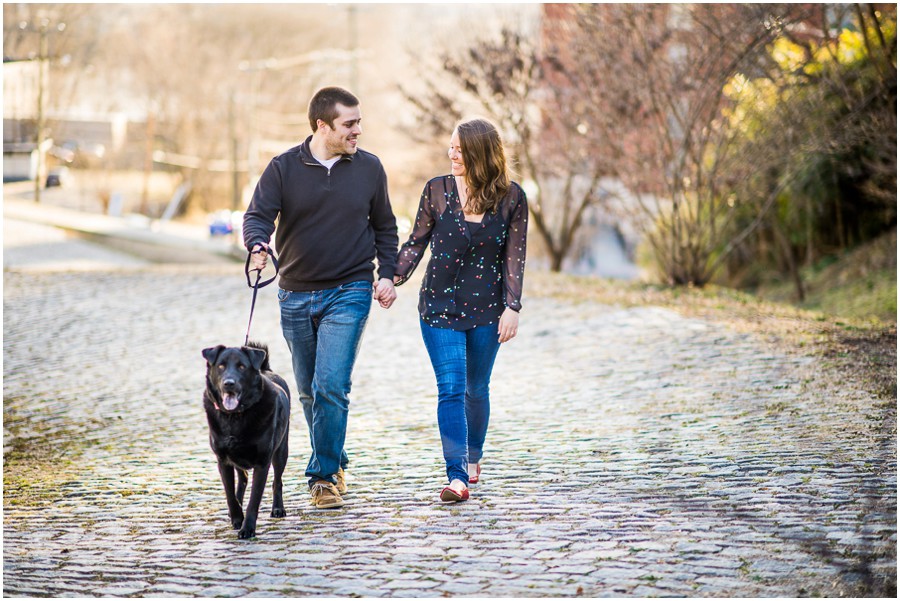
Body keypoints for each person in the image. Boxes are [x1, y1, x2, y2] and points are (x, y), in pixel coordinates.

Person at [243, 86, 399, 509]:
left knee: (331, 384)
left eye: (358, 123)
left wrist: (388, 275)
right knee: (310, 391)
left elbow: (385, 227)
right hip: (295, 294)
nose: (358, 131)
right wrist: (258, 245)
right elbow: (258, 216)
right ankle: (335, 455)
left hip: (349, 290)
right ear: (322, 126)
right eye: (349, 124)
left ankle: (323, 477)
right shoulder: (283, 168)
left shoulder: (369, 169)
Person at [394, 118, 527, 503]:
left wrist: (512, 307)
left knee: (476, 388)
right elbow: (415, 243)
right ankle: (457, 479)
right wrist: (390, 278)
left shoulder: (512, 198)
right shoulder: (436, 190)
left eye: (459, 149)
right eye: (450, 147)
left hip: (487, 310)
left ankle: (473, 456)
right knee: (451, 387)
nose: (452, 154)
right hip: (438, 306)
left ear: (480, 154)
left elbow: (514, 258)